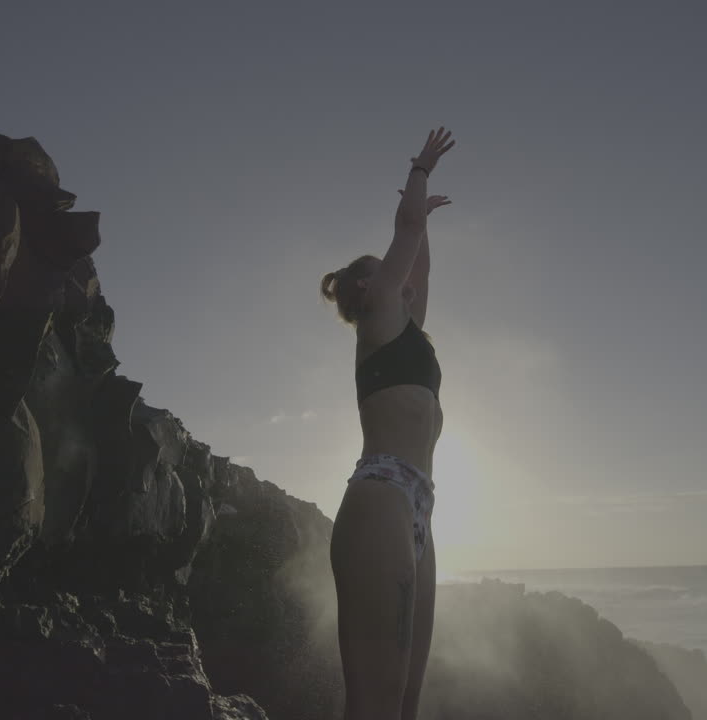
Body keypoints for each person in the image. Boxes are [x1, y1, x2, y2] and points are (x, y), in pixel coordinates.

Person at [319, 127, 456, 720]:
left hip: (419, 506)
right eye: (387, 272)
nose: (402, 283)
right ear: (366, 287)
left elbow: (418, 268)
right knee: (375, 706)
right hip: (381, 497)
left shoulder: (407, 332)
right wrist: (419, 170)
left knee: (406, 706)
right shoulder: (376, 318)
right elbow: (406, 231)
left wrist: (424, 225)